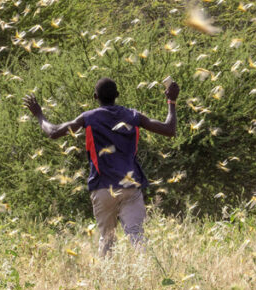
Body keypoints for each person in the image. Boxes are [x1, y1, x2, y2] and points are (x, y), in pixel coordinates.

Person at [24, 76, 179, 256]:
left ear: (95, 97)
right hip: (130, 186)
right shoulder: (134, 116)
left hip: (103, 187)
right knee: (137, 236)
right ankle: (147, 275)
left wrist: (39, 114)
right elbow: (169, 130)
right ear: (117, 95)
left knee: (107, 239)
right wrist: (171, 101)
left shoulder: (88, 118)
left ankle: (107, 280)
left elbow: (53, 132)